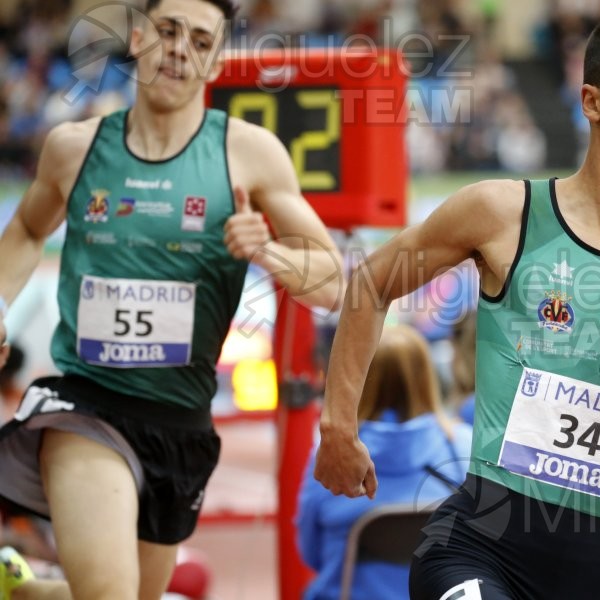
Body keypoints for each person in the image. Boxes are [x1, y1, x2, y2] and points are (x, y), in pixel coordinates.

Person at [314, 13, 600, 600]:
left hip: (591, 567)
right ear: (593, 101)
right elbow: (370, 285)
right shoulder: (502, 213)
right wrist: (338, 424)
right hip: (475, 544)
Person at [0, 0, 344, 598]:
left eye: (201, 40)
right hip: (86, 405)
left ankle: (35, 592)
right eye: (168, 30)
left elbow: (333, 281)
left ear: (215, 61)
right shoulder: (75, 149)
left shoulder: (250, 154)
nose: (181, 47)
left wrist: (268, 253)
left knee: (137, 593)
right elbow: (29, 230)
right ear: (137, 38)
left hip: (181, 421)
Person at [297, 324, 472, 600]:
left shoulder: (330, 457)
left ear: (357, 380)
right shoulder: (464, 448)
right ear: (426, 377)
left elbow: (311, 552)